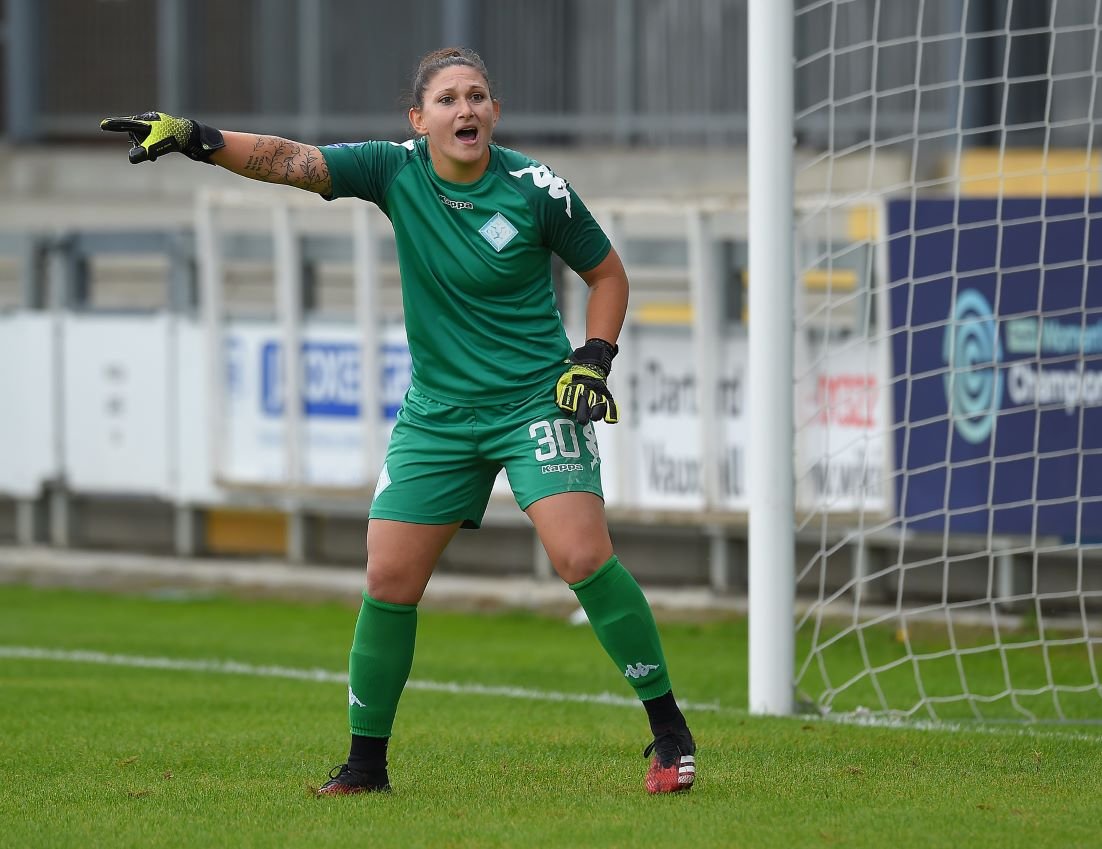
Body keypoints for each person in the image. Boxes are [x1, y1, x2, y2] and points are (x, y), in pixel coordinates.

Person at [101, 47, 696, 796]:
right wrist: (198, 138)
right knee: (387, 575)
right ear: (419, 120)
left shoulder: (537, 188)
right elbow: (293, 160)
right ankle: (365, 766)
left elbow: (607, 274)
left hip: (533, 401)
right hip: (438, 414)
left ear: (496, 113)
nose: (466, 109)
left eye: (478, 96)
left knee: (580, 555)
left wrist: (594, 358)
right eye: (447, 99)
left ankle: (670, 732)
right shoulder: (395, 169)